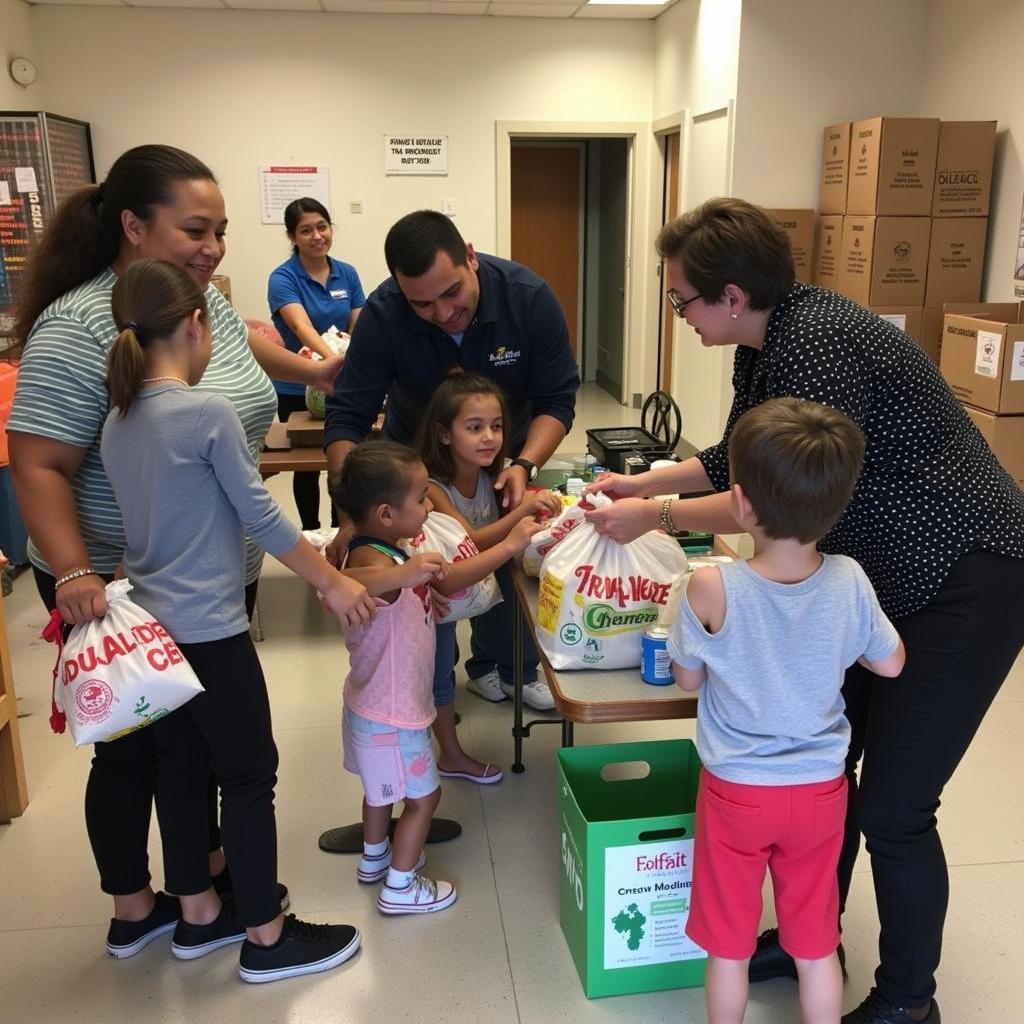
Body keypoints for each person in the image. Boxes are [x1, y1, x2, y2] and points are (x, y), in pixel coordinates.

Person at [585, 197, 1024, 1024]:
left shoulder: (816, 343)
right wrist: (642, 485)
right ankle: (807, 936)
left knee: (896, 807)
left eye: (682, 300)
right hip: (888, 580)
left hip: (967, 573)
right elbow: (735, 460)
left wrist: (659, 519)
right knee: (832, 769)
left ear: (733, 295)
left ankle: (907, 1003)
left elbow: (768, 497)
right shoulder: (767, 343)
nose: (678, 315)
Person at [6, 144, 343, 958]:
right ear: (131, 224)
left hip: (198, 573)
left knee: (188, 752)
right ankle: (137, 907)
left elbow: (244, 351)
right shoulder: (81, 323)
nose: (213, 245)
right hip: (116, 587)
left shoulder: (198, 302)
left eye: (221, 229)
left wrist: (322, 369)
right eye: (195, 228)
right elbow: (37, 460)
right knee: (136, 755)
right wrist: (78, 572)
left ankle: (206, 893)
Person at [100, 258, 375, 980]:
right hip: (211, 633)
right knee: (250, 776)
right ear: (196, 325)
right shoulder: (203, 411)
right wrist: (334, 584)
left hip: (152, 636)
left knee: (182, 772)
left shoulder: (119, 419)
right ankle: (265, 934)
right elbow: (259, 516)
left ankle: (198, 915)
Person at [669, 397, 905, 1024]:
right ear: (837, 504)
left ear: (741, 504)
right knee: (815, 942)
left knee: (729, 944)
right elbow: (892, 662)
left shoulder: (710, 586)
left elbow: (688, 679)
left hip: (737, 791)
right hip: (821, 792)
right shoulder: (850, 579)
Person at [324, 209, 580, 710]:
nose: (442, 312)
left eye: (452, 294)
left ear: (470, 256)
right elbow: (347, 417)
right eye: (423, 304)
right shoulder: (383, 313)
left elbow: (557, 401)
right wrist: (354, 512)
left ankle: (502, 665)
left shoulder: (528, 298)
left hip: (508, 458)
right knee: (429, 586)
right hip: (415, 471)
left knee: (506, 561)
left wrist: (522, 465)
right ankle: (434, 691)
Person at [416, 370, 561, 781]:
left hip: (466, 587)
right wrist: (521, 517)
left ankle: (490, 676)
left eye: (496, 427)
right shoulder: (433, 486)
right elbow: (470, 541)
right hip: (433, 594)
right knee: (439, 668)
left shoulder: (488, 476)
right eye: (474, 427)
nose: (489, 437)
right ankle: (449, 753)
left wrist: (538, 503)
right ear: (444, 434)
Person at [268, 198, 365, 530]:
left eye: (322, 227)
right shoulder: (283, 278)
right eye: (305, 230)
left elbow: (358, 322)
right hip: (297, 385)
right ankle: (310, 532)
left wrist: (353, 356)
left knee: (342, 460)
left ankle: (340, 528)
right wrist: (330, 359)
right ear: (292, 237)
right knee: (306, 467)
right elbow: (300, 326)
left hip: (340, 383)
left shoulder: (346, 273)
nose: (316, 236)